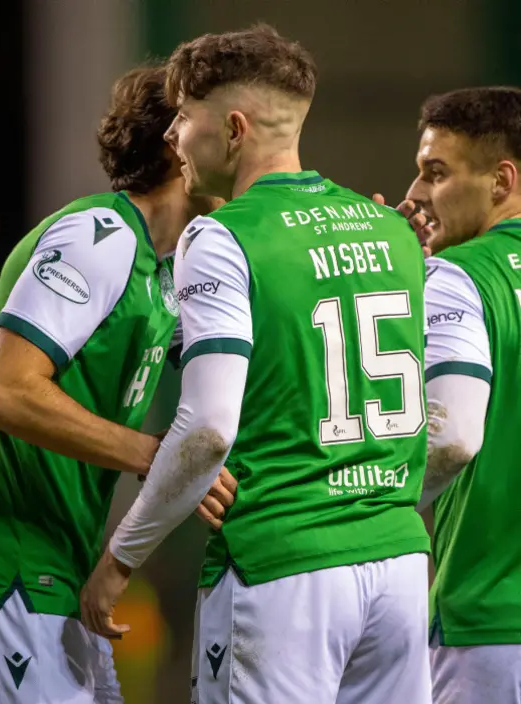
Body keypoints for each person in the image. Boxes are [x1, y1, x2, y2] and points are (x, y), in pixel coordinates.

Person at [86, 25, 432, 704]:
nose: (173, 137)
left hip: (282, 571)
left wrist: (121, 558)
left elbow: (209, 429)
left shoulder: (220, 237)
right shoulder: (390, 228)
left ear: (234, 127)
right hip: (397, 566)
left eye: (184, 116)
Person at [0, 64, 234, 703]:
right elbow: (8, 392)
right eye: (221, 125)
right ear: (178, 143)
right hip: (1, 568)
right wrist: (155, 456)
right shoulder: (100, 238)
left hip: (58, 569)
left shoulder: (165, 271)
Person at [406, 86, 521, 704]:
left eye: (436, 172)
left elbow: (450, 439)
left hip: (489, 620)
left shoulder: (460, 275)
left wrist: (377, 518)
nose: (418, 193)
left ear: (500, 181)